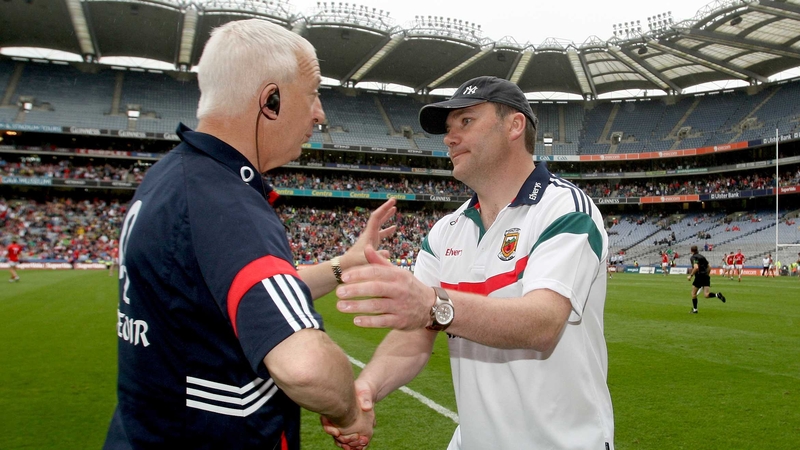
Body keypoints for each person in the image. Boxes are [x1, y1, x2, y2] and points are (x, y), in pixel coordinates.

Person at [103, 19, 393, 450]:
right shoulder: (226, 202)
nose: (320, 113)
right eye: (313, 93)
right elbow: (305, 367)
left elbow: (241, 295)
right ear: (271, 101)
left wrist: (342, 266)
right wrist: (350, 411)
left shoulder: (170, 175)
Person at [330, 76, 614, 449]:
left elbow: (543, 323)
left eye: (466, 121)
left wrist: (433, 304)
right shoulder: (444, 232)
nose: (449, 138)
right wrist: (365, 390)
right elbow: (414, 336)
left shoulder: (564, 208)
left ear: (514, 126)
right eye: (448, 129)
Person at [687, 245, 726, 314]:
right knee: (706, 294)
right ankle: (717, 295)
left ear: (691, 251)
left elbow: (696, 267)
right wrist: (706, 275)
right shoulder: (702, 257)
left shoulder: (693, 257)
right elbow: (709, 267)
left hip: (699, 276)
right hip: (706, 276)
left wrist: (691, 275)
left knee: (693, 294)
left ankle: (695, 310)